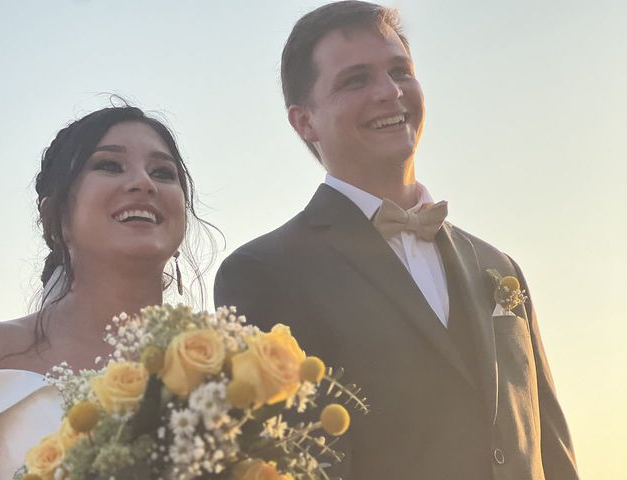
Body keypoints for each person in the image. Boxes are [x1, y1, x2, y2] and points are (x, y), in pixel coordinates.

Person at [214, 2, 579, 479]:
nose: (389, 92)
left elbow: (549, 444)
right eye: (356, 80)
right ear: (304, 122)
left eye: (400, 71)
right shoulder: (263, 272)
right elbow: (282, 459)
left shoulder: (500, 267)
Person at [0, 104, 213, 480]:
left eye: (163, 172)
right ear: (56, 218)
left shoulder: (227, 367)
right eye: (109, 165)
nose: (144, 183)